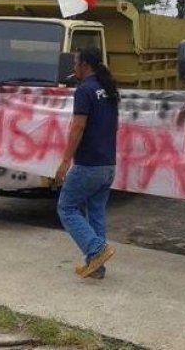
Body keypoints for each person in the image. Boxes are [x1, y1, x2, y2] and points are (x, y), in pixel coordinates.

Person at [55, 47, 119, 279]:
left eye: (75, 63)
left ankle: (97, 249)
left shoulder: (84, 91)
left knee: (66, 208)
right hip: (107, 164)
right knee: (96, 212)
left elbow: (78, 127)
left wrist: (65, 161)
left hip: (88, 165)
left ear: (85, 65)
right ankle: (96, 266)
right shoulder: (108, 89)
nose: (73, 68)